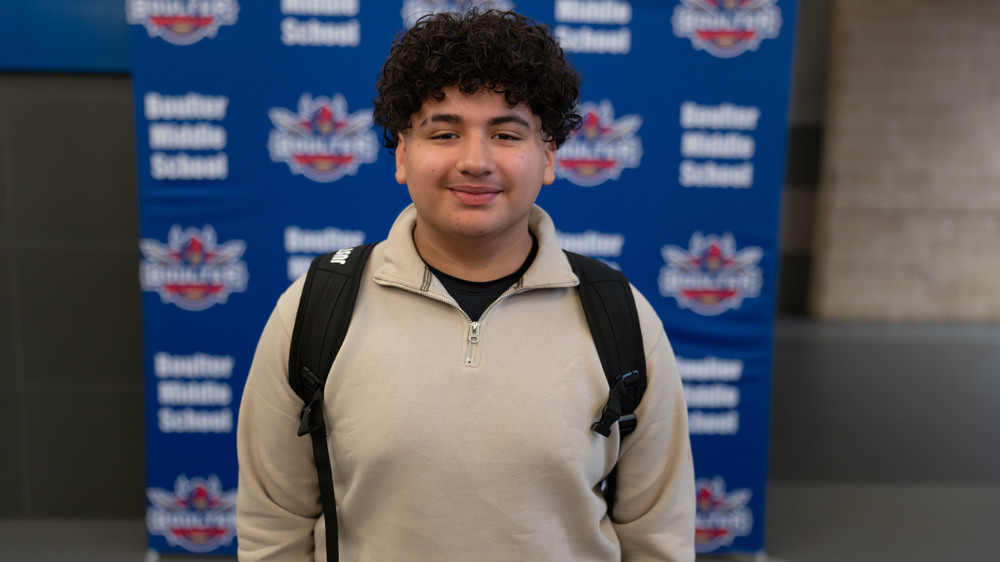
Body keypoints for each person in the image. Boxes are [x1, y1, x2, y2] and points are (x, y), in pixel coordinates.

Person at [236, 9, 694, 561]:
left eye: (505, 133)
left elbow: (657, 537)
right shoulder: (315, 308)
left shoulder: (620, 317)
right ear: (402, 154)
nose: (475, 161)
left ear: (548, 155)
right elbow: (273, 527)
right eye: (445, 132)